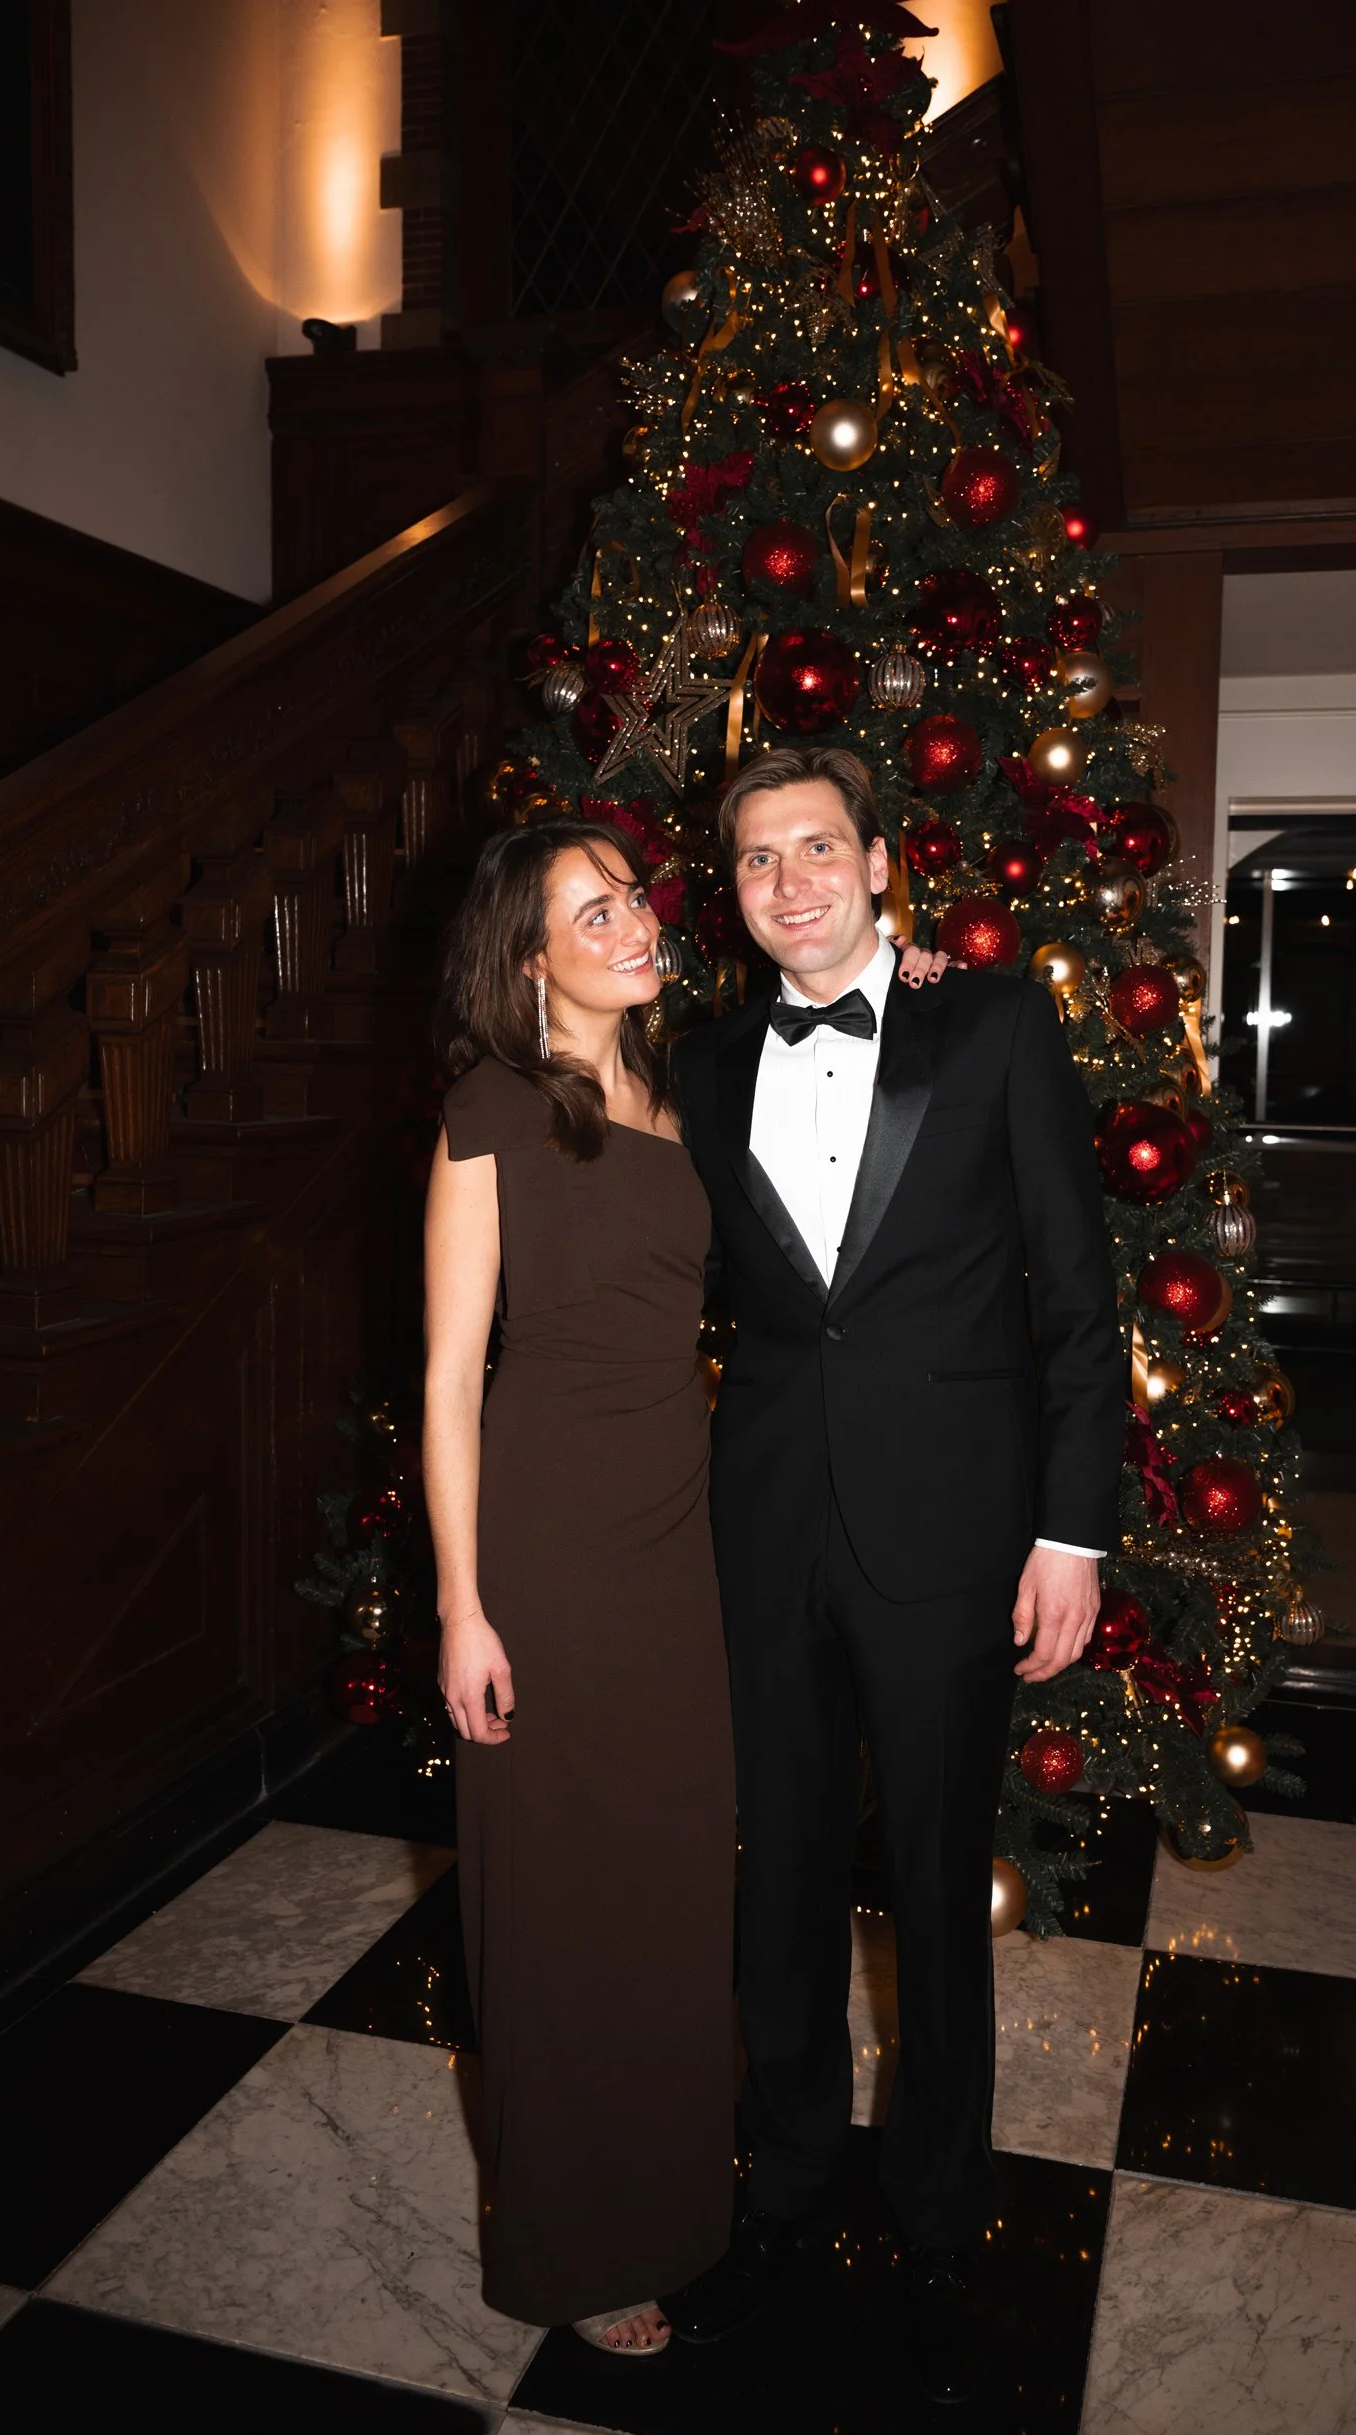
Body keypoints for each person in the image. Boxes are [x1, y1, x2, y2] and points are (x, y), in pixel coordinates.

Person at [422, 817, 944, 2355]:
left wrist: (903, 969)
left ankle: (664, 2197)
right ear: (528, 958)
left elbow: (832, 1053)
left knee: (663, 1890)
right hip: (550, 1540)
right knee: (564, 1900)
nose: (636, 920)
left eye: (635, 894)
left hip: (681, 1534)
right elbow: (451, 1377)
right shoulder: (489, 1107)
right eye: (593, 909)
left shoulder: (686, 1084)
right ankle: (578, 2245)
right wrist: (463, 1603)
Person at [664, 747, 1123, 2403]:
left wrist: (1070, 1532)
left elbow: (1077, 1294)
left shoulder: (987, 1024)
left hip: (953, 1537)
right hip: (764, 1526)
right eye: (752, 860)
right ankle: (781, 2182)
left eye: (815, 848)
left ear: (876, 865)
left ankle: (937, 2205)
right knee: (773, 1876)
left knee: (935, 1883)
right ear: (729, 893)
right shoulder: (702, 1065)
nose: (786, 881)